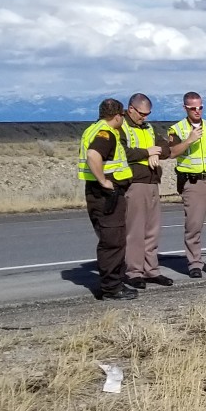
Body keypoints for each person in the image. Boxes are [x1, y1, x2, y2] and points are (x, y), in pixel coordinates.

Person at [164, 90, 206, 279]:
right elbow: (171, 153)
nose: (197, 111)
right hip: (193, 184)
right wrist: (189, 140)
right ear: (185, 108)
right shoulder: (176, 129)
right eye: (193, 108)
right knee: (193, 226)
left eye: (200, 107)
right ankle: (194, 263)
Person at [78, 97, 135, 300]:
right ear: (118, 115)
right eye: (123, 116)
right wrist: (104, 181)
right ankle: (112, 287)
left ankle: (114, 282)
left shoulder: (93, 129)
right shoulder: (106, 133)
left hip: (98, 193)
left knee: (111, 238)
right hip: (106, 195)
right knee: (113, 240)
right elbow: (94, 155)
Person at [120, 93, 172, 287]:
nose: (144, 118)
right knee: (135, 230)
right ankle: (134, 272)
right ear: (131, 109)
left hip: (152, 183)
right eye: (142, 114)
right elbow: (122, 152)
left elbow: (166, 148)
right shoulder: (122, 127)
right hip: (134, 183)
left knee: (152, 230)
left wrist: (156, 150)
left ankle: (151, 270)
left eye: (147, 114)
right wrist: (146, 153)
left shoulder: (148, 128)